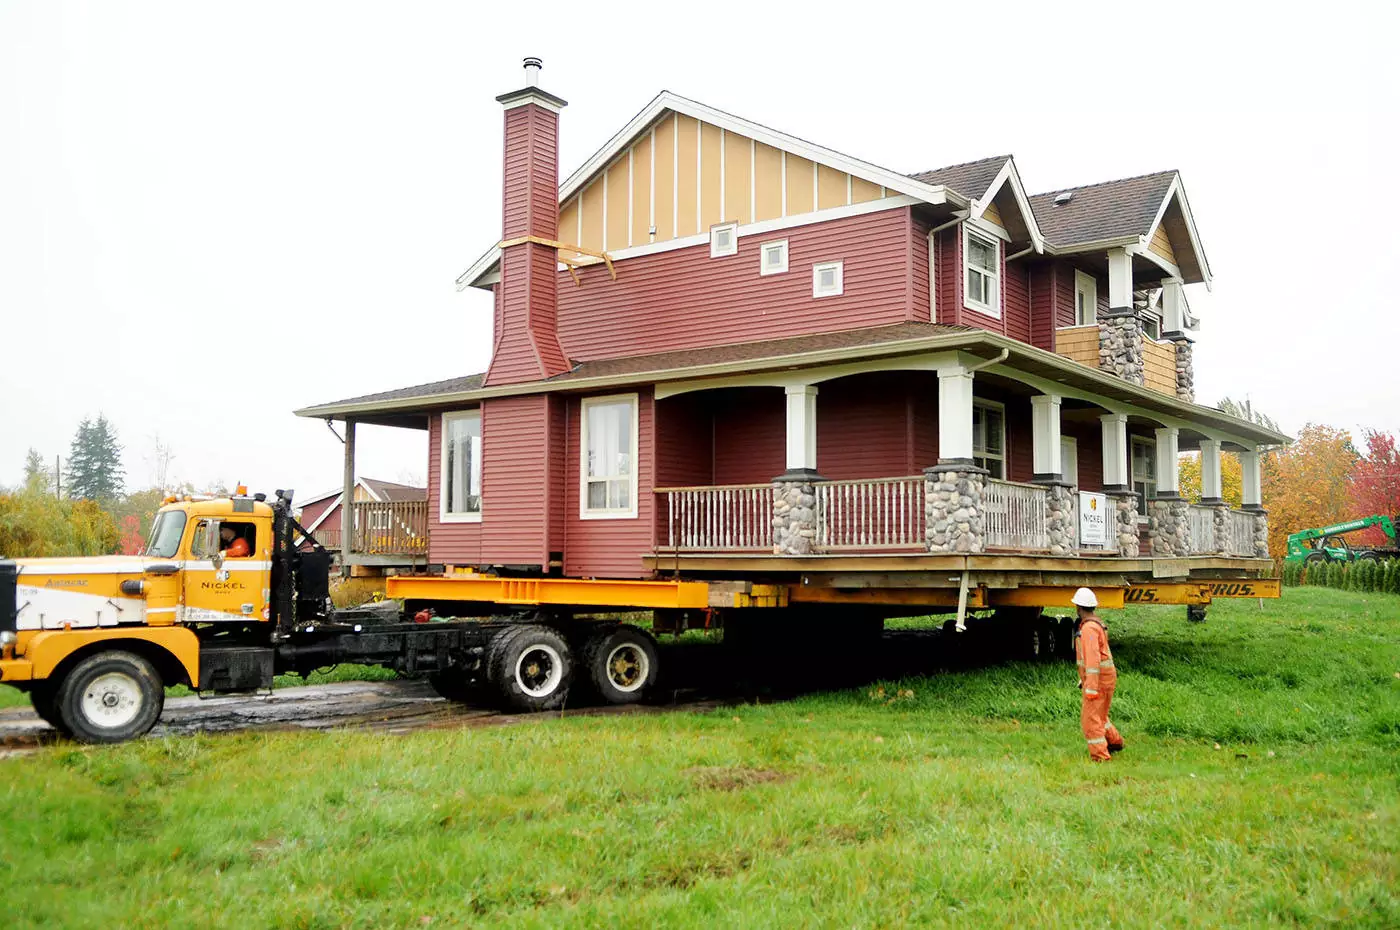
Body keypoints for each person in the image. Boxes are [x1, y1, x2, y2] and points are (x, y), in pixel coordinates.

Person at [1072, 587, 1124, 761]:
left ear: (1078, 607)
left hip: (1099, 680)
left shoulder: (1088, 629)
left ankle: (1100, 756)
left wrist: (1091, 687)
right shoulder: (1096, 625)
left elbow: (1093, 661)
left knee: (1091, 720)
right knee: (1100, 715)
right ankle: (1115, 742)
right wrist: (1084, 680)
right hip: (1105, 677)